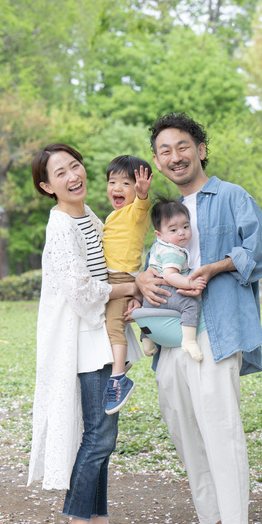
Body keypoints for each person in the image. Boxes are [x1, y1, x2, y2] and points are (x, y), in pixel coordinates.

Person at [136, 112, 262, 524]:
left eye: (182, 146)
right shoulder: (163, 212)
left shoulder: (232, 196)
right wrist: (143, 279)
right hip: (170, 329)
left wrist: (215, 267)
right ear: (158, 162)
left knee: (219, 424)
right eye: (164, 151)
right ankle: (211, 522)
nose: (174, 157)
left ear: (199, 148)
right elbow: (154, 261)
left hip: (217, 324)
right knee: (184, 424)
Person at [28, 143, 149, 524]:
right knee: (98, 434)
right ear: (47, 186)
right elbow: (81, 292)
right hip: (82, 340)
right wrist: (134, 286)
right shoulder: (61, 225)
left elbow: (111, 260)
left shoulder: (88, 215)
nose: (72, 176)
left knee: (104, 434)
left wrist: (130, 287)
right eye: (60, 173)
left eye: (75, 166)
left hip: (99, 333)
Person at [101, 155, 152, 414]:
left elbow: (142, 204)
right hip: (110, 277)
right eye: (112, 182)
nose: (117, 188)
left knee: (114, 326)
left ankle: (118, 378)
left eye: (125, 183)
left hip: (121, 277)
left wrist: (142, 194)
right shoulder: (113, 216)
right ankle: (132, 352)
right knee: (113, 324)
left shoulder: (135, 212)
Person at [140, 199, 206, 361]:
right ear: (159, 234)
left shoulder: (159, 246)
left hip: (148, 298)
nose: (181, 233)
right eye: (173, 230)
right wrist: (189, 283)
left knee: (149, 316)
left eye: (185, 227)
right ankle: (189, 341)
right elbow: (170, 276)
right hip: (164, 292)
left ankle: (147, 339)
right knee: (190, 305)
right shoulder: (173, 251)